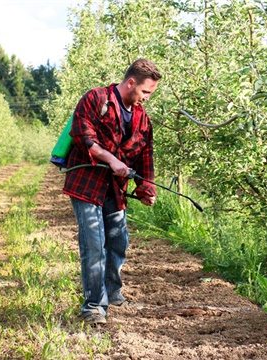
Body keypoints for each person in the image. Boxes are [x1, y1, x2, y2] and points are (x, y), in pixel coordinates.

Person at [63, 59, 161, 325]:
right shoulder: (96, 98)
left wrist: (146, 188)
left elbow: (146, 155)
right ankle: (94, 306)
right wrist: (112, 160)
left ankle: (112, 291)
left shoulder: (142, 119)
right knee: (94, 245)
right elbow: (83, 137)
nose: (146, 98)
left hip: (115, 189)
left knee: (118, 242)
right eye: (145, 92)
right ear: (131, 83)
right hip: (87, 183)